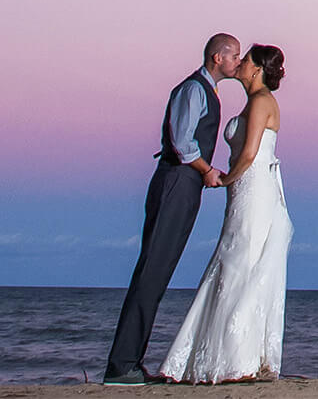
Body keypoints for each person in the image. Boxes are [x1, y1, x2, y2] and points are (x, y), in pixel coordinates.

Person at [105, 34, 240, 384]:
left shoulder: (206, 91)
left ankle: (129, 362)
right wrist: (207, 170)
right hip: (176, 182)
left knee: (158, 272)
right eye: (234, 56)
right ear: (216, 58)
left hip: (185, 184)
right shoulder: (194, 90)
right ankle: (121, 366)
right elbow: (182, 143)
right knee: (152, 270)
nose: (238, 62)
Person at [157, 43, 290, 383]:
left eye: (245, 60)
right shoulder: (251, 103)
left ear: (257, 69)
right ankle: (221, 354)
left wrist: (225, 178)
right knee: (231, 258)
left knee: (240, 259)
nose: (240, 64)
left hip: (253, 188)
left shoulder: (262, 102)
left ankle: (238, 358)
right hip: (241, 190)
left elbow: (249, 153)